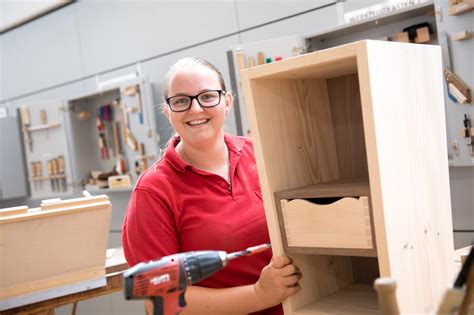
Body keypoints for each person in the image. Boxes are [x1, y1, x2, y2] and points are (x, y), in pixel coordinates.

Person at [122, 57, 301, 314]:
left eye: (207, 96)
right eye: (181, 101)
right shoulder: (153, 192)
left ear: (227, 101)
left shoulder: (262, 154)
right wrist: (259, 295)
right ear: (167, 111)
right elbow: (158, 299)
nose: (195, 109)